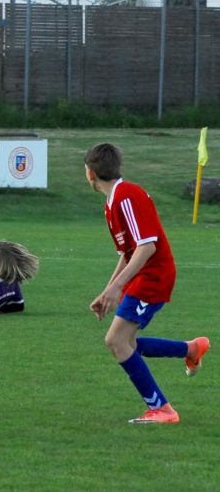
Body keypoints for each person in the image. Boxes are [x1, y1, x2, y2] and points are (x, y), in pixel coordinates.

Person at [85, 142, 210, 424]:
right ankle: (190, 349)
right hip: (142, 274)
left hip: (153, 275)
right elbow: (127, 255)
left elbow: (146, 248)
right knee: (127, 344)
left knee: (116, 341)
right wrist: (108, 291)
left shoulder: (126, 196)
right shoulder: (112, 204)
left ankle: (163, 409)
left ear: (90, 173)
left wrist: (117, 288)